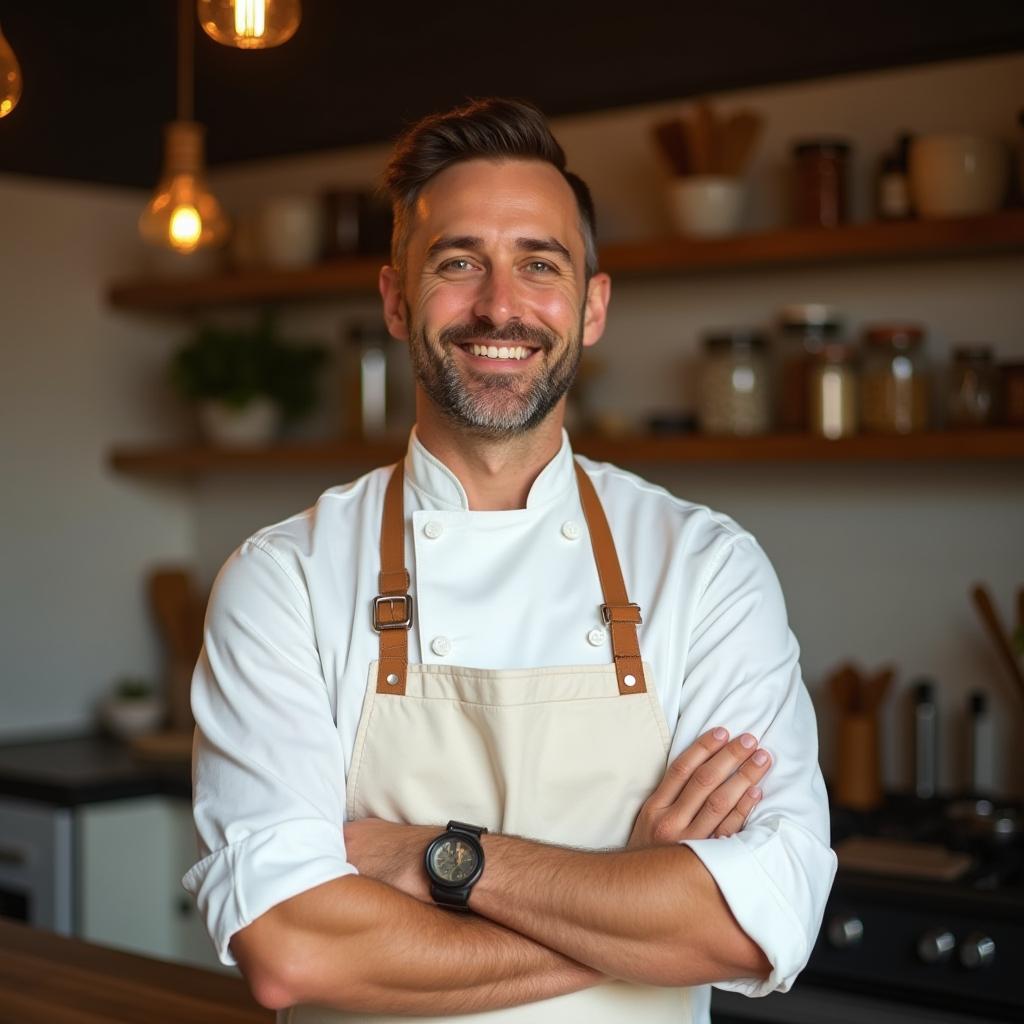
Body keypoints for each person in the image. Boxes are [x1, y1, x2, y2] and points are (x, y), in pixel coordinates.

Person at [184, 98, 836, 1024]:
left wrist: (435, 857)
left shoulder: (706, 568)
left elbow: (755, 924)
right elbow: (293, 949)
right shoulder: (283, 578)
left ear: (591, 306)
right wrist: (635, 903)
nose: (500, 305)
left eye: (540, 264)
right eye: (458, 263)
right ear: (396, 300)